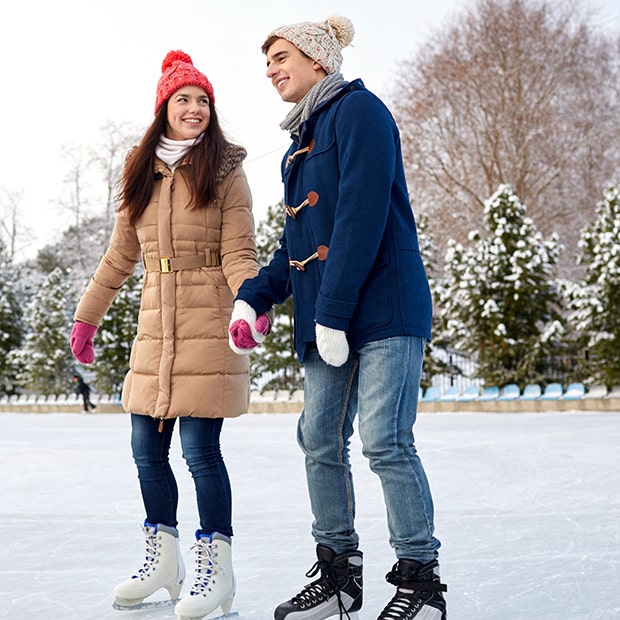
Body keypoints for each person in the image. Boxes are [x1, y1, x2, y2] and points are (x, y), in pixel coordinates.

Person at [228, 16, 447, 620]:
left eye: (280, 56)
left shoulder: (361, 112)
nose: (271, 69)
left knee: (385, 442)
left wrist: (331, 312)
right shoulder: (300, 142)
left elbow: (360, 218)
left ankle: (421, 582)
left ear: (318, 58)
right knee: (319, 439)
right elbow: (298, 242)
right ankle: (339, 575)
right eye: (266, 62)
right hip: (331, 319)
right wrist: (255, 295)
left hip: (381, 308)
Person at [69, 50, 270, 620]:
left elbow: (239, 252)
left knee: (202, 453)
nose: (196, 108)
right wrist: (88, 316)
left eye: (203, 100)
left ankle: (216, 571)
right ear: (163, 107)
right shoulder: (140, 171)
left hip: (208, 323)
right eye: (184, 99)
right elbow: (118, 257)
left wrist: (249, 304)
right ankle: (163, 561)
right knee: (145, 451)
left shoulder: (227, 169)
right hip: (156, 330)